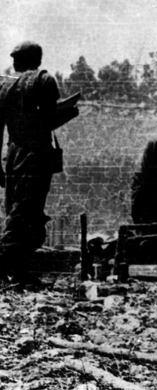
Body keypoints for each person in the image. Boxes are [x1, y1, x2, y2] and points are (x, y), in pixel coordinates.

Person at [0, 41, 76, 286]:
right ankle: (10, 268)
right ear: (38, 59)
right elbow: (47, 120)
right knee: (27, 212)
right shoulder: (45, 81)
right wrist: (70, 112)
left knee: (17, 208)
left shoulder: (5, 85)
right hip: (36, 156)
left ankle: (17, 272)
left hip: (13, 155)